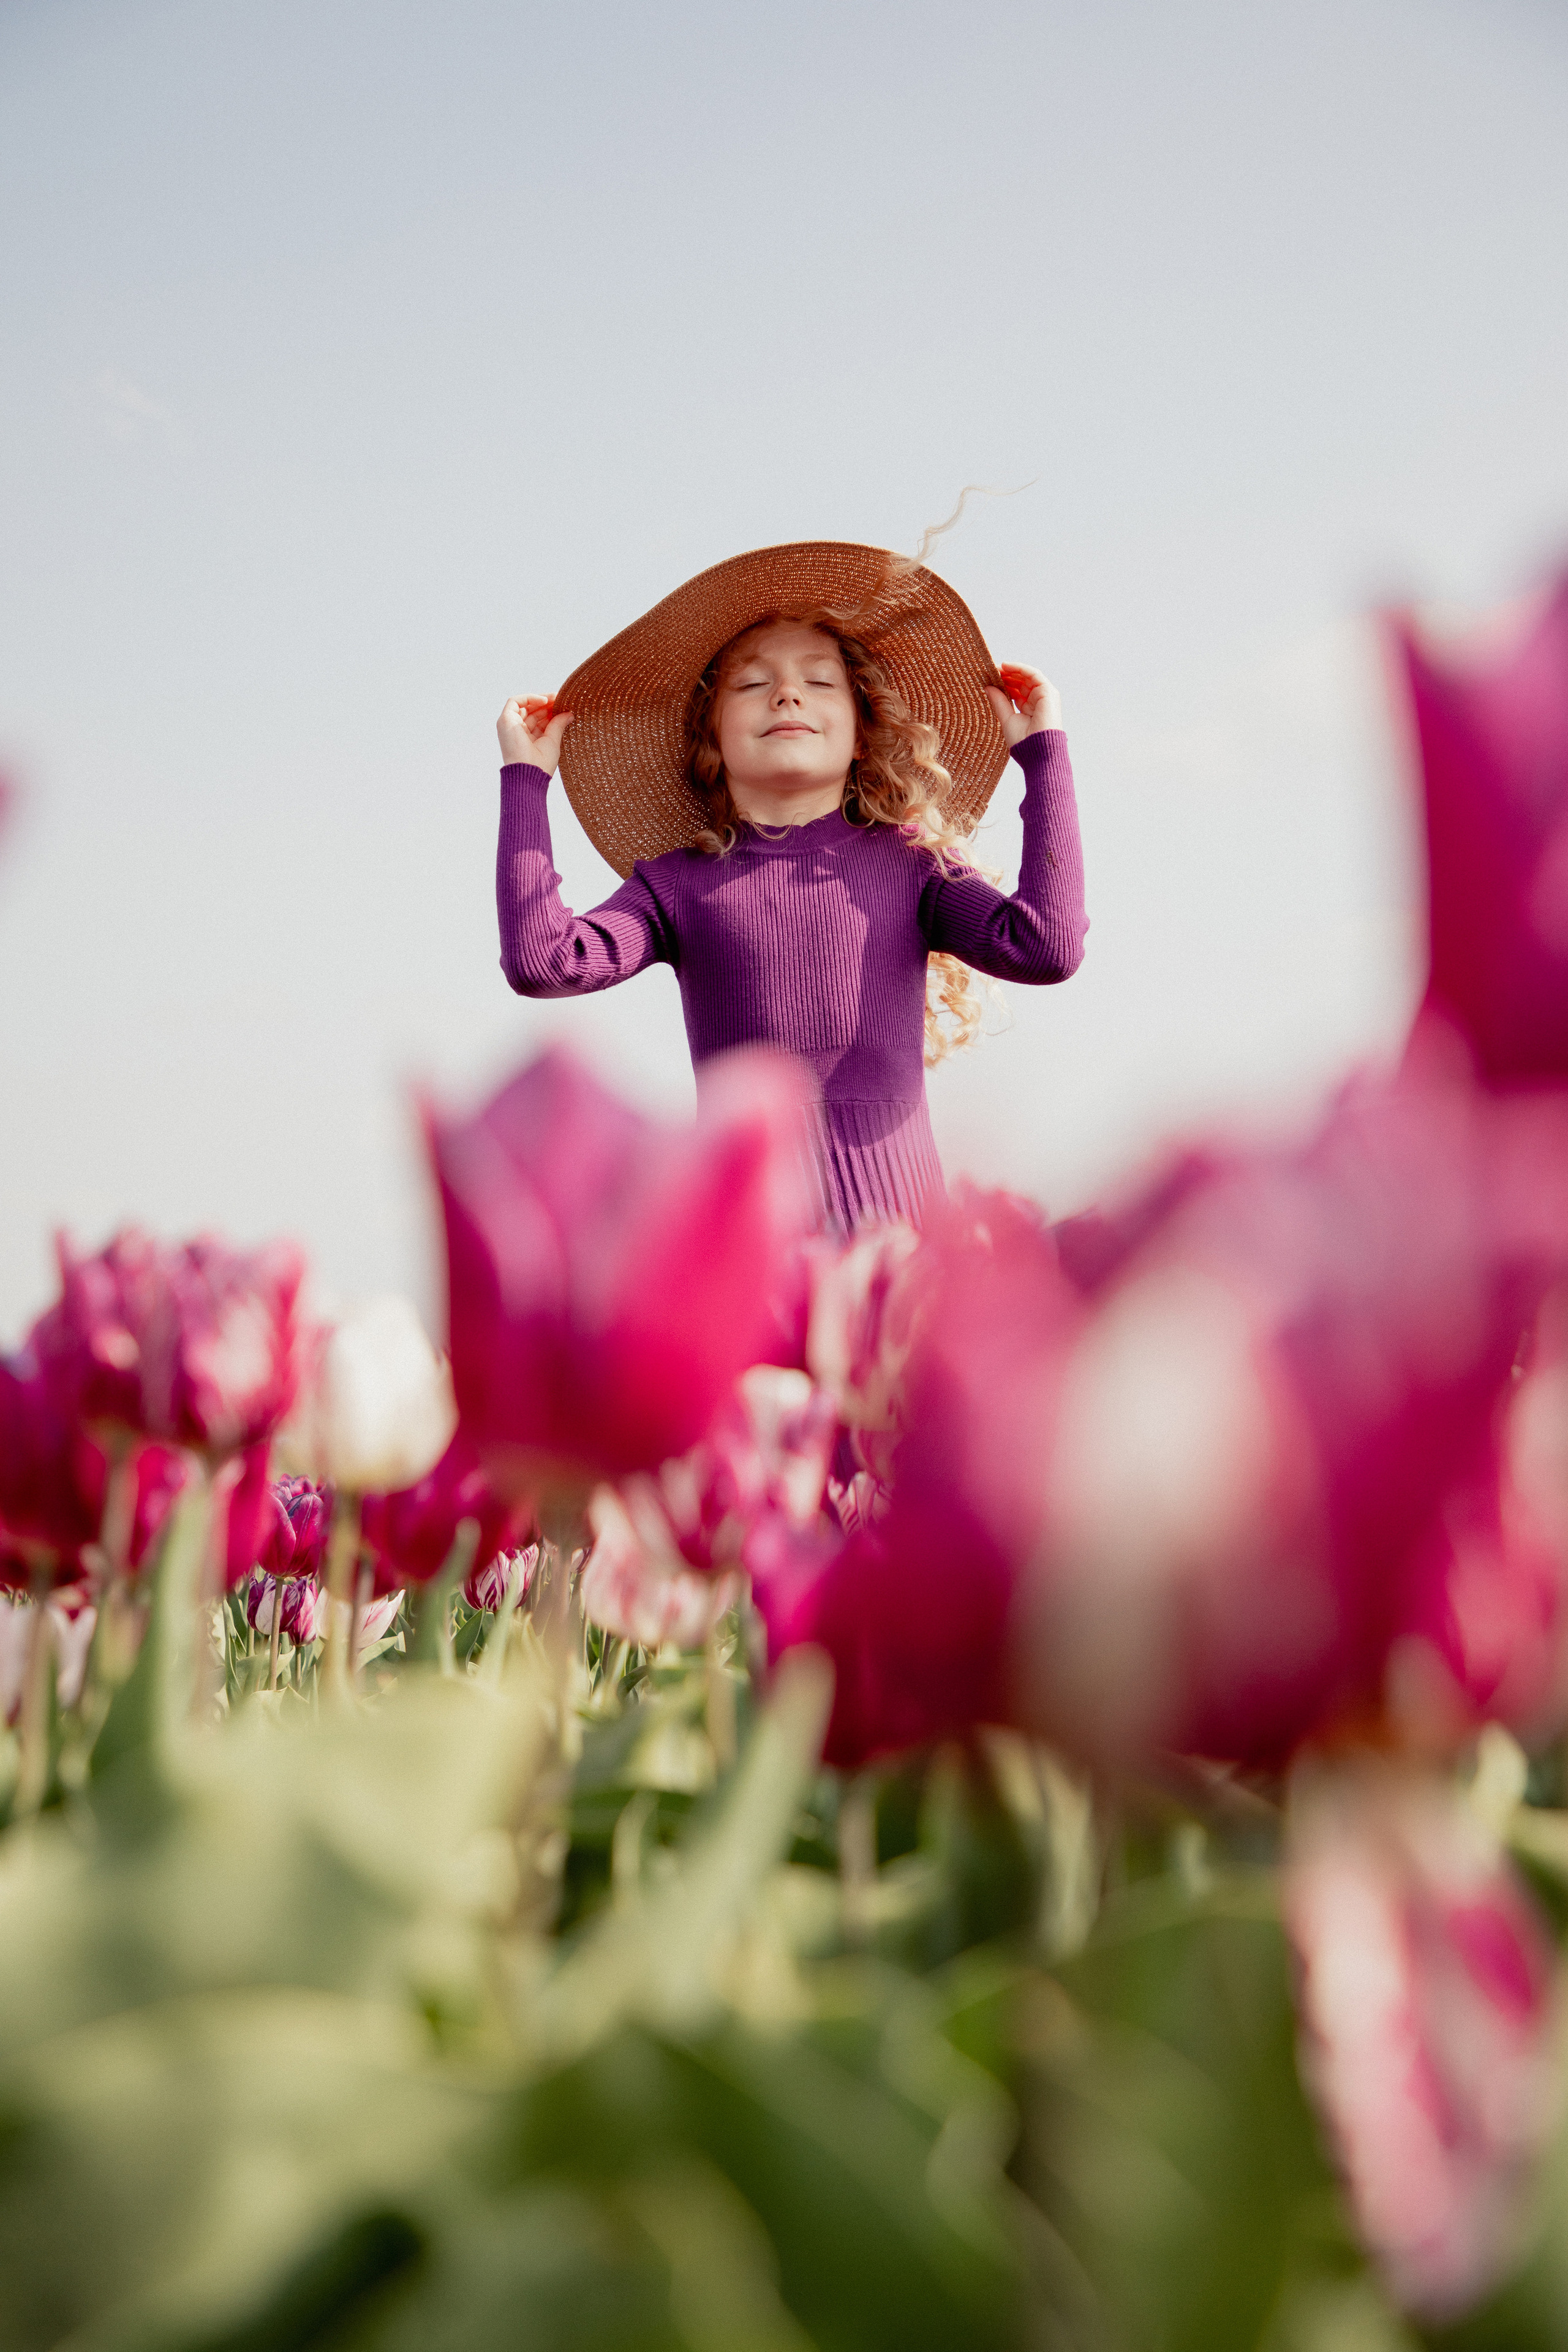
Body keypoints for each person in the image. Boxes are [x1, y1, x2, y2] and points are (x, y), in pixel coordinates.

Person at [494, 541, 1087, 1233]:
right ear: (709, 737)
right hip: (745, 1251)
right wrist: (526, 780)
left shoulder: (914, 866)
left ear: (863, 733)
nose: (786, 693)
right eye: (750, 685)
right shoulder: (676, 886)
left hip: (899, 1253)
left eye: (820, 680)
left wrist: (1043, 756)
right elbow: (544, 962)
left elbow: (1047, 947)